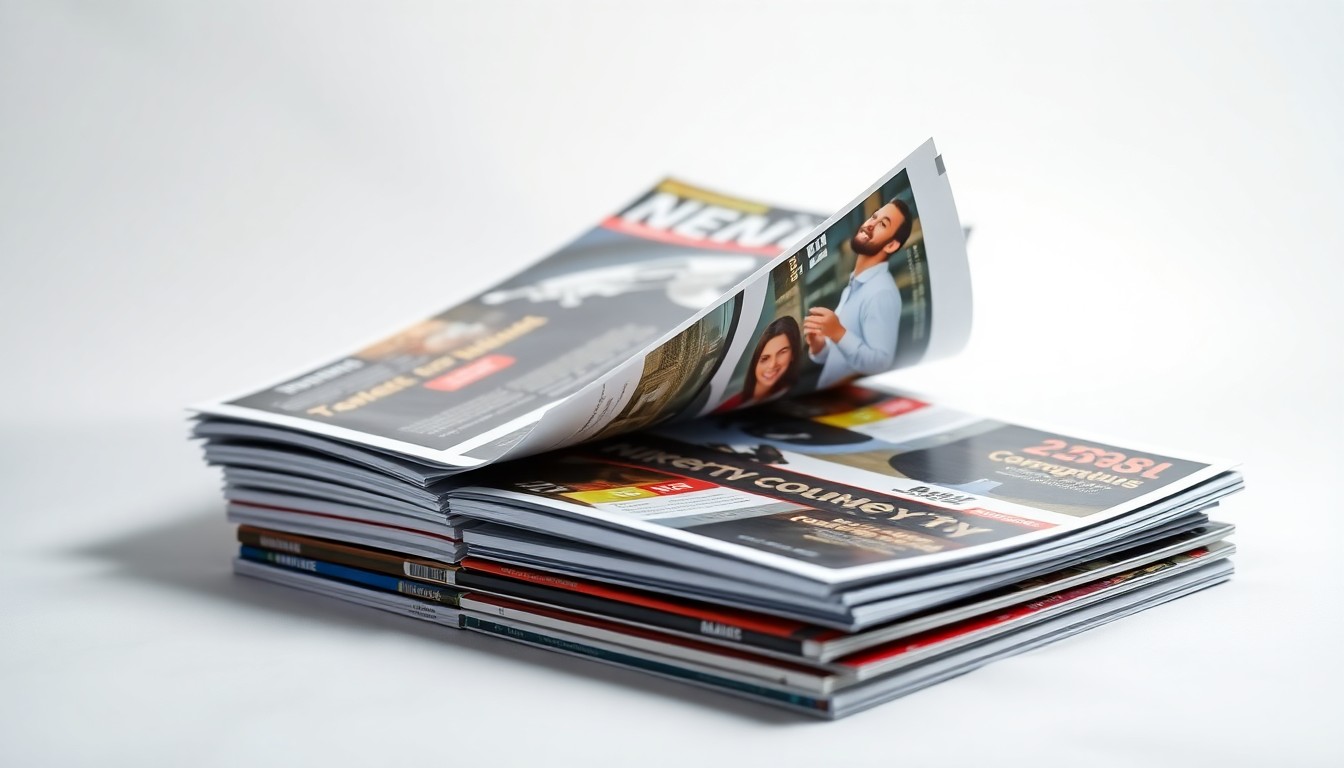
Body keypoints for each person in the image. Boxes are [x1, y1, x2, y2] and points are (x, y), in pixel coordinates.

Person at [804, 199, 910, 389]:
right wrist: (819, 345)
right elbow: (841, 355)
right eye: (874, 217)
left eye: (883, 224)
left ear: (892, 245)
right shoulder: (854, 286)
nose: (870, 225)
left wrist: (837, 332)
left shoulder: (881, 293)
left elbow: (880, 363)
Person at [716, 316, 802, 411]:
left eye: (782, 352)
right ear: (754, 362)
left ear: (793, 354)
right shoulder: (730, 406)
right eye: (765, 359)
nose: (772, 364)